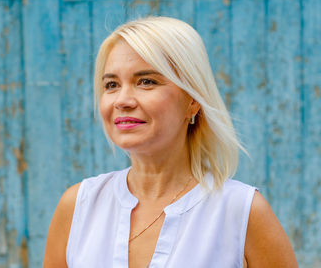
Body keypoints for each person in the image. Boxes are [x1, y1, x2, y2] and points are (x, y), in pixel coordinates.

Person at [43, 16, 297, 268]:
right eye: (111, 84)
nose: (122, 100)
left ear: (193, 100)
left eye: (146, 81)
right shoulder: (79, 206)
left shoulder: (241, 210)